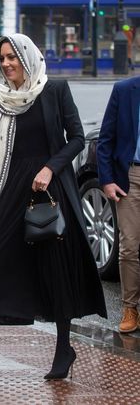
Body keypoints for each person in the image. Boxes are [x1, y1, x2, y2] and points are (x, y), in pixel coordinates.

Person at [0, 33, 107, 379]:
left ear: (26, 56)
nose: (8, 63)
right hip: (10, 189)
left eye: (13, 56)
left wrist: (50, 168)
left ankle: (63, 349)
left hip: (49, 188)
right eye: (3, 58)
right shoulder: (0, 97)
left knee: (54, 270)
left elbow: (75, 137)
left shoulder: (55, 89)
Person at [97, 76, 140, 334]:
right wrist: (107, 180)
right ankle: (130, 308)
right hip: (130, 178)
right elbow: (106, 139)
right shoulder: (124, 90)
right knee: (129, 246)